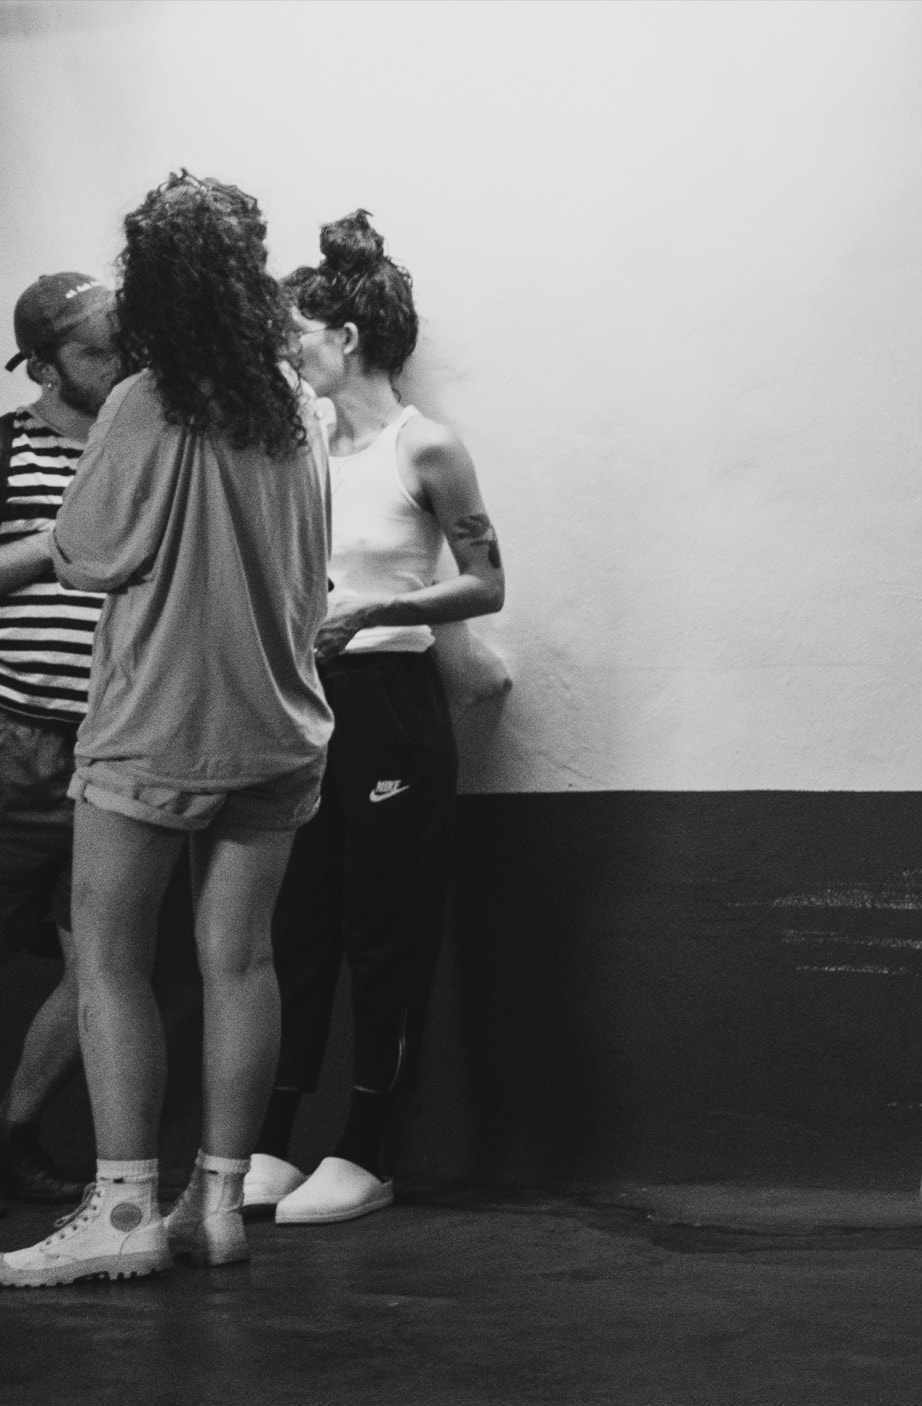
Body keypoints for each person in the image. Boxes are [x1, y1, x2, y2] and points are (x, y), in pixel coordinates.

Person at [0, 172, 332, 1288]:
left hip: (157, 727)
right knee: (241, 959)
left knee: (108, 958)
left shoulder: (146, 401)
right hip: (279, 725)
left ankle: (127, 1211)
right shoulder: (294, 398)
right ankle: (220, 1205)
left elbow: (88, 555)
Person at [244, 211, 503, 1225]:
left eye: (298, 331)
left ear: (344, 338)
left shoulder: (425, 446)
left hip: (391, 707)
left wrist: (380, 608)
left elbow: (486, 583)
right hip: (305, 710)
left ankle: (367, 1151)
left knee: (379, 936)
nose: (286, 348)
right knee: (296, 927)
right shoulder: (298, 448)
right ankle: (270, 1141)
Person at [0, 273, 122, 1211]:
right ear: (43, 366)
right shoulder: (6, 446)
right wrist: (55, 543)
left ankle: (16, 1132)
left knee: (101, 969)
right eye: (96, 349)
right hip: (8, 741)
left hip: (109, 751)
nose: (122, 360)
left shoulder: (144, 441)